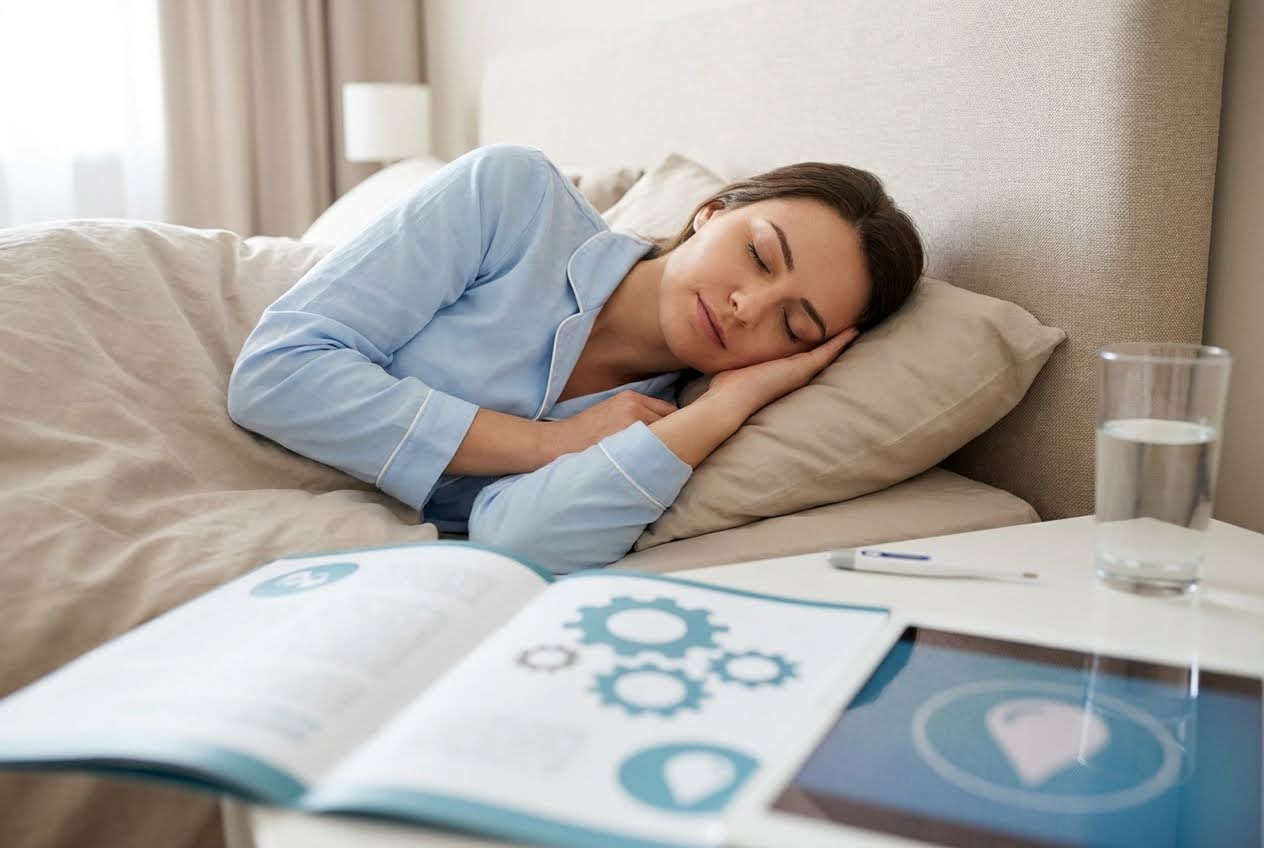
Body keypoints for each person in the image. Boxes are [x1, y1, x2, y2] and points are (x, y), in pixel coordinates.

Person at [228, 144, 924, 573]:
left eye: (793, 326)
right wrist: (547, 443)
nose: (749, 306)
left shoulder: (658, 428)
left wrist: (726, 407)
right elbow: (279, 372)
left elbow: (515, 546)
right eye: (759, 256)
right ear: (712, 211)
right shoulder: (514, 197)